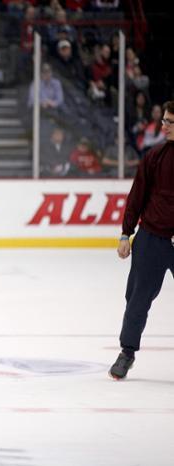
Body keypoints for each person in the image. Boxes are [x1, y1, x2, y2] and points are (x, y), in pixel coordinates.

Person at [109, 100, 174, 380]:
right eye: (164, 121)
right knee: (137, 299)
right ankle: (127, 353)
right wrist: (126, 233)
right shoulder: (155, 156)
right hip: (151, 238)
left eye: (170, 122)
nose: (164, 126)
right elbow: (136, 196)